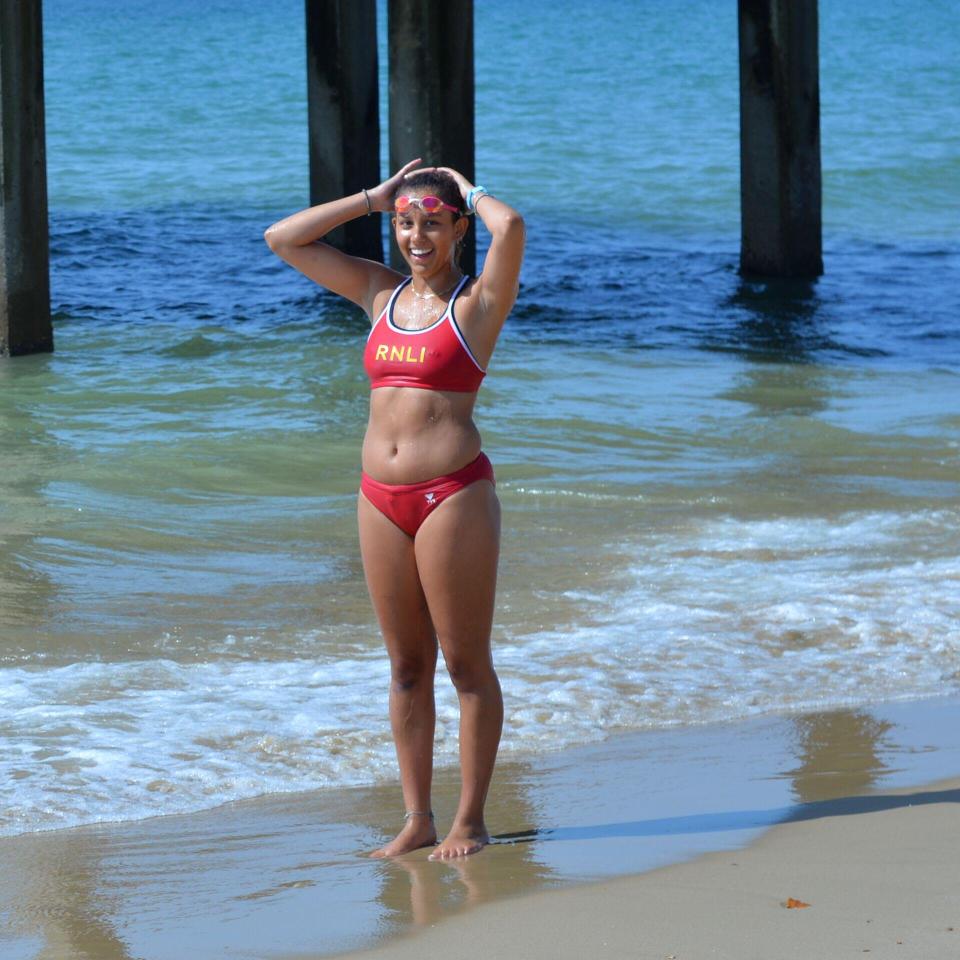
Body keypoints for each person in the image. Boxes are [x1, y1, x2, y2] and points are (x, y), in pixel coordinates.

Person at [264, 160, 525, 859]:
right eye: (406, 223)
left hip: (453, 496)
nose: (416, 235)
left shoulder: (477, 303)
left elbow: (515, 227)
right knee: (406, 667)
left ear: (457, 229)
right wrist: (370, 199)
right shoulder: (379, 295)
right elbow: (283, 239)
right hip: (378, 498)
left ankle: (470, 818)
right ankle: (418, 817)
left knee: (467, 664)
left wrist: (468, 189)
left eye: (432, 223)